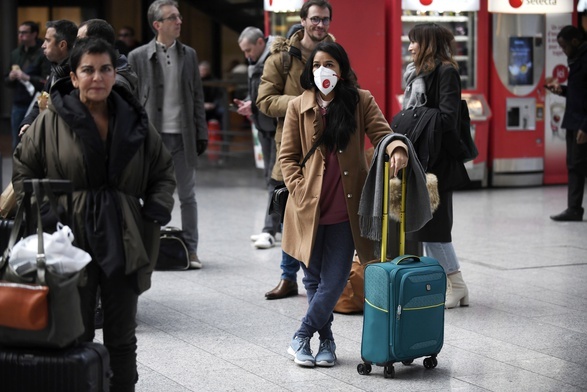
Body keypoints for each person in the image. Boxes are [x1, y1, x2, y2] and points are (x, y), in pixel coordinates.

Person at [12, 37, 176, 392]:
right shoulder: (50, 122)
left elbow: (163, 169)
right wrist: (47, 214)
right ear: (73, 77)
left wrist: (155, 211)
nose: (97, 77)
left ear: (115, 73)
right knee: (75, 331)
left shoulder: (134, 121)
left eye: (105, 69)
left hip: (124, 235)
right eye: (88, 70)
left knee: (122, 335)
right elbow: (24, 170)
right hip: (69, 239)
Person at [280, 41, 408, 367]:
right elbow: (288, 158)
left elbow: (383, 132)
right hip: (307, 211)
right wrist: (300, 191)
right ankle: (326, 342)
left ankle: (300, 336)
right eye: (318, 65)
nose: (324, 71)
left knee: (333, 282)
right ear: (310, 71)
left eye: (331, 65)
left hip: (345, 212)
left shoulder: (360, 100)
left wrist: (396, 148)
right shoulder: (298, 106)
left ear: (342, 70)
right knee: (312, 281)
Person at [256, 0, 335, 300]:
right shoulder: (281, 59)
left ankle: (321, 278)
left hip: (327, 147)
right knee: (290, 212)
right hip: (291, 148)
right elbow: (265, 101)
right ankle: (288, 278)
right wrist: (303, 102)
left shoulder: (335, 56)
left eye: (325, 20)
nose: (320, 25)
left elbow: (350, 90)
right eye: (315, 19)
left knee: (326, 212)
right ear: (303, 21)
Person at [129, 0, 208, 269]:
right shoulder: (137, 57)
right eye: (172, 17)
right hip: (153, 138)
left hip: (183, 136)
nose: (179, 21)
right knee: (150, 195)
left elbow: (197, 96)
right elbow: (132, 102)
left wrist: (201, 132)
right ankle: (147, 249)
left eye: (179, 16)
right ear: (157, 25)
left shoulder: (190, 55)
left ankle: (192, 250)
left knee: (188, 195)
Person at [403, 23, 470, 309]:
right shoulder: (416, 74)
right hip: (422, 159)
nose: (410, 47)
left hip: (438, 163)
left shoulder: (446, 72)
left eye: (414, 42)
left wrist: (415, 118)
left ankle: (456, 284)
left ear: (427, 43)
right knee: (427, 227)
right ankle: (455, 285)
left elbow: (447, 118)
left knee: (434, 228)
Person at [235, 26, 280, 249]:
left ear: (261, 43)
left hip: (277, 127)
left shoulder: (275, 58)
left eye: (248, 50)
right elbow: (258, 93)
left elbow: (275, 93)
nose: (247, 55)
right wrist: (248, 102)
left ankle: (269, 230)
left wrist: (254, 105)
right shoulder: (257, 61)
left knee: (275, 179)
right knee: (269, 177)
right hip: (263, 125)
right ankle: (277, 225)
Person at [546, 25, 587, 222]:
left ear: (575, 41)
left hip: (582, 123)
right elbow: (579, 93)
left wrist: (585, 126)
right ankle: (574, 208)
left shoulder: (585, 59)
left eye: (564, 46)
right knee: (573, 164)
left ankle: (574, 208)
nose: (562, 50)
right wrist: (561, 90)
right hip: (574, 120)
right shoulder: (577, 59)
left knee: (577, 165)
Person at [19, 19, 78, 136]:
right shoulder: (56, 71)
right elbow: (42, 100)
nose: (43, 45)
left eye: (47, 40)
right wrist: (28, 122)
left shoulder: (77, 73)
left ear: (62, 45)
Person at [5, 21, 51, 151]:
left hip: (40, 100)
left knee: (37, 141)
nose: (20, 36)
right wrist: (11, 77)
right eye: (19, 33)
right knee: (17, 141)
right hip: (19, 102)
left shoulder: (44, 52)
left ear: (34, 34)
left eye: (24, 32)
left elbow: (47, 81)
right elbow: (6, 80)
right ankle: (18, 170)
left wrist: (28, 77)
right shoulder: (15, 53)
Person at [77, 18, 138, 97]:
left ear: (95, 43)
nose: (75, 45)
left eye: (79, 40)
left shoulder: (115, 83)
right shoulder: (112, 74)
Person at [199, 60, 226, 128]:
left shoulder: (214, 81)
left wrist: (214, 104)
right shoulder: (194, 82)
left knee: (223, 111)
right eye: (201, 70)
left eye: (204, 70)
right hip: (199, 105)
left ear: (208, 71)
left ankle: (224, 136)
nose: (202, 72)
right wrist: (202, 104)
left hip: (213, 105)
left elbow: (219, 96)